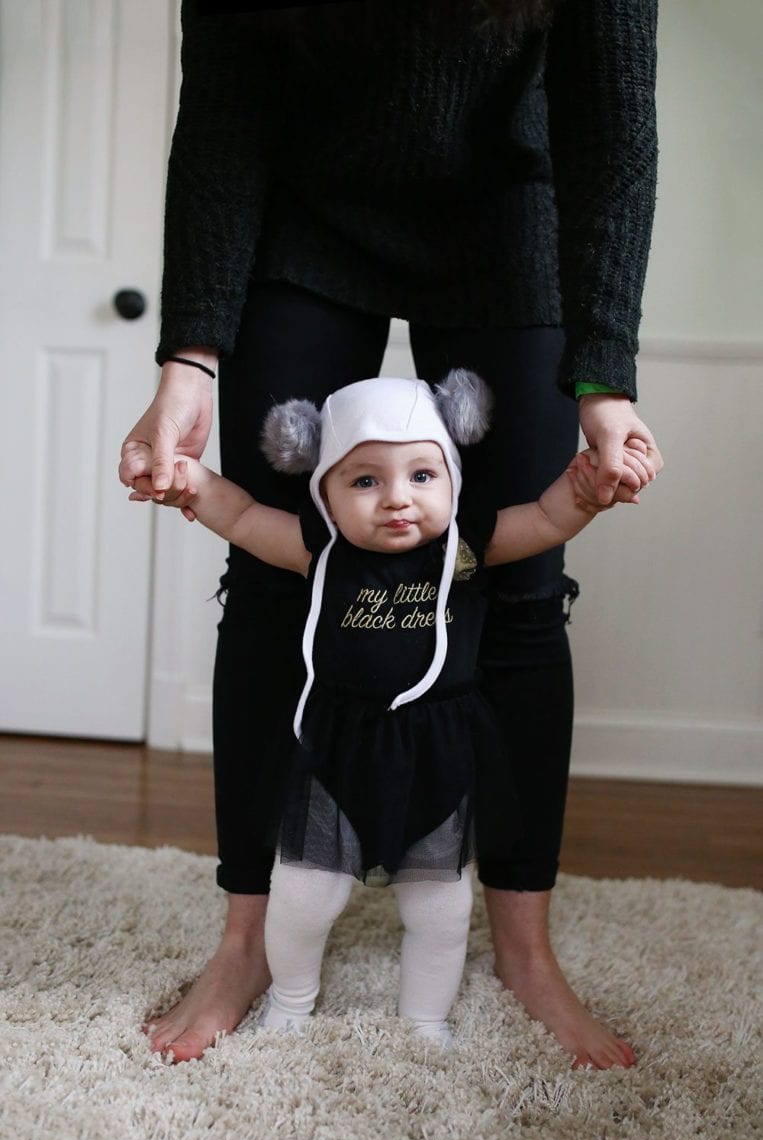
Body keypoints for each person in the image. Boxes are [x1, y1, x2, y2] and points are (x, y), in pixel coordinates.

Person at [120, 0, 664, 1069]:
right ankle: (246, 940)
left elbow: (613, 125)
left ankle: (524, 948)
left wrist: (602, 377)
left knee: (520, 587)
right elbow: (224, 107)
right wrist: (191, 356)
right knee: (275, 578)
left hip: (513, 210)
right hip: (305, 211)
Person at [131, 372, 653, 1048]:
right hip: (332, 754)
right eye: (365, 481)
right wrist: (190, 482)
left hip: (437, 755)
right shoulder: (321, 554)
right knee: (301, 899)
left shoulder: (464, 551)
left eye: (421, 475)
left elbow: (549, 520)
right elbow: (239, 516)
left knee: (439, 909)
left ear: (451, 478)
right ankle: (290, 1000)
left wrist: (586, 491)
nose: (397, 499)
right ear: (324, 492)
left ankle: (424, 1019)